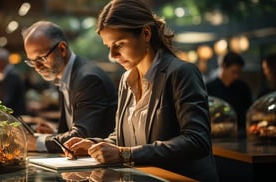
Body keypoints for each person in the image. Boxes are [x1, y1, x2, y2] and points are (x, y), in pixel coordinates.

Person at [63, 0, 219, 181]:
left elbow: (197, 141)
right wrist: (96, 145)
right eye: (108, 47)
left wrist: (125, 155)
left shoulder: (181, 72)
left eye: (119, 44)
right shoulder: (125, 80)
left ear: (145, 33)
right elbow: (125, 139)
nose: (112, 56)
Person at [21, 21, 117, 153]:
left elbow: (82, 136)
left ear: (62, 49)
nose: (37, 67)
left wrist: (37, 143)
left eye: (41, 58)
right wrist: (54, 133)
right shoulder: (65, 75)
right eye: (32, 61)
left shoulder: (88, 79)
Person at [206, 52, 253, 138]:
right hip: (215, 134)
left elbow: (248, 111)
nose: (236, 76)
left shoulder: (243, 88)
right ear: (224, 66)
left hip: (240, 134)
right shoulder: (210, 87)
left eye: (239, 72)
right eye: (234, 72)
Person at [0, 48, 27, 116]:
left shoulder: (12, 75)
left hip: (16, 115)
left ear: (1, 62)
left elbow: (7, 100)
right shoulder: (10, 74)